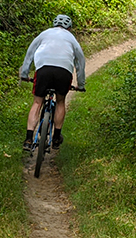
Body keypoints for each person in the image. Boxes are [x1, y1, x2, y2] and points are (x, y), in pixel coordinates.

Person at [19, 14, 86, 151]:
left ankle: (28, 139)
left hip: (44, 70)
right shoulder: (72, 39)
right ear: (69, 28)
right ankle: (56, 138)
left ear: (54, 24)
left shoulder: (44, 34)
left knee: (37, 102)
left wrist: (24, 74)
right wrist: (81, 84)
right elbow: (80, 62)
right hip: (64, 72)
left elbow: (30, 53)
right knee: (60, 101)